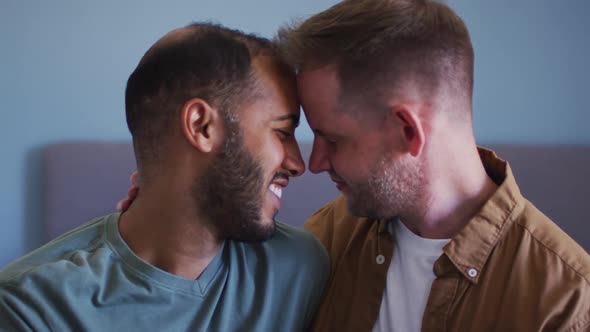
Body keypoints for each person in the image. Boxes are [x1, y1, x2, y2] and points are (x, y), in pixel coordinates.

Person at [274, 0, 590, 331]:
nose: (315, 163)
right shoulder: (327, 239)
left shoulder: (564, 304)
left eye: (333, 140)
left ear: (408, 131)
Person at [0, 23, 329, 331]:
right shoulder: (33, 306)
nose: (299, 164)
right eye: (283, 131)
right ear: (201, 126)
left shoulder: (299, 268)